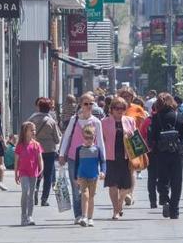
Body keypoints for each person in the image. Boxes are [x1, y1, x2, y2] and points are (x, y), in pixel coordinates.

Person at [58, 92, 106, 224]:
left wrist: (103, 164)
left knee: (90, 190)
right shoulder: (74, 120)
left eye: (91, 103)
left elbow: (100, 142)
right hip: (74, 157)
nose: (89, 106)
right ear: (80, 105)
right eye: (86, 103)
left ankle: (87, 215)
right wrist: (62, 154)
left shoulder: (96, 122)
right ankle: (78, 215)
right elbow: (66, 137)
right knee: (75, 186)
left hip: (90, 158)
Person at [149, 93, 183, 219]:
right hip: (176, 152)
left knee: (162, 179)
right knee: (177, 180)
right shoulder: (179, 115)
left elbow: (152, 136)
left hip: (161, 153)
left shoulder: (156, 117)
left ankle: (165, 199)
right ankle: (174, 209)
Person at [102, 97, 137, 219]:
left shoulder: (130, 120)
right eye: (117, 108)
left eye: (122, 108)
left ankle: (119, 203)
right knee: (113, 184)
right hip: (110, 156)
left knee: (126, 186)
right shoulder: (104, 122)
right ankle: (115, 210)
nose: (120, 110)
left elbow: (135, 139)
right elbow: (100, 141)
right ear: (112, 109)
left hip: (126, 156)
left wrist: (132, 136)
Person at [28, 98, 61, 207]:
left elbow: (25, 133)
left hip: (34, 149)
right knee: (48, 175)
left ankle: (35, 191)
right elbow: (57, 139)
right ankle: (44, 199)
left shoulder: (31, 119)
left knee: (36, 172)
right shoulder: (51, 121)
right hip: (49, 151)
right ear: (48, 109)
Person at [74, 125, 106, 227]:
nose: (88, 140)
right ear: (83, 137)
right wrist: (75, 176)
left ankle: (90, 218)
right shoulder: (79, 149)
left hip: (94, 177)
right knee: (84, 195)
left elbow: (103, 162)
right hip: (82, 176)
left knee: (91, 197)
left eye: (91, 138)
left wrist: (103, 172)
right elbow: (76, 164)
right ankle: (84, 216)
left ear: (94, 137)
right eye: (86, 138)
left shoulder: (97, 149)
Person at [15, 121, 44, 226]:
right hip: (23, 172)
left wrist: (42, 168)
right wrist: (16, 173)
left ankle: (30, 216)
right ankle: (23, 216)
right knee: (25, 191)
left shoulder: (36, 145)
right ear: (25, 131)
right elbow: (16, 161)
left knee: (31, 194)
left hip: (33, 172)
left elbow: (40, 158)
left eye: (34, 129)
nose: (34, 131)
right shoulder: (20, 145)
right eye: (31, 130)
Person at [140, 108, 160, 208]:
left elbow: (142, 135)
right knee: (163, 176)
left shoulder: (148, 120)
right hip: (162, 152)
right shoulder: (163, 118)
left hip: (150, 151)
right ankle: (162, 196)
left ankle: (153, 201)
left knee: (151, 177)